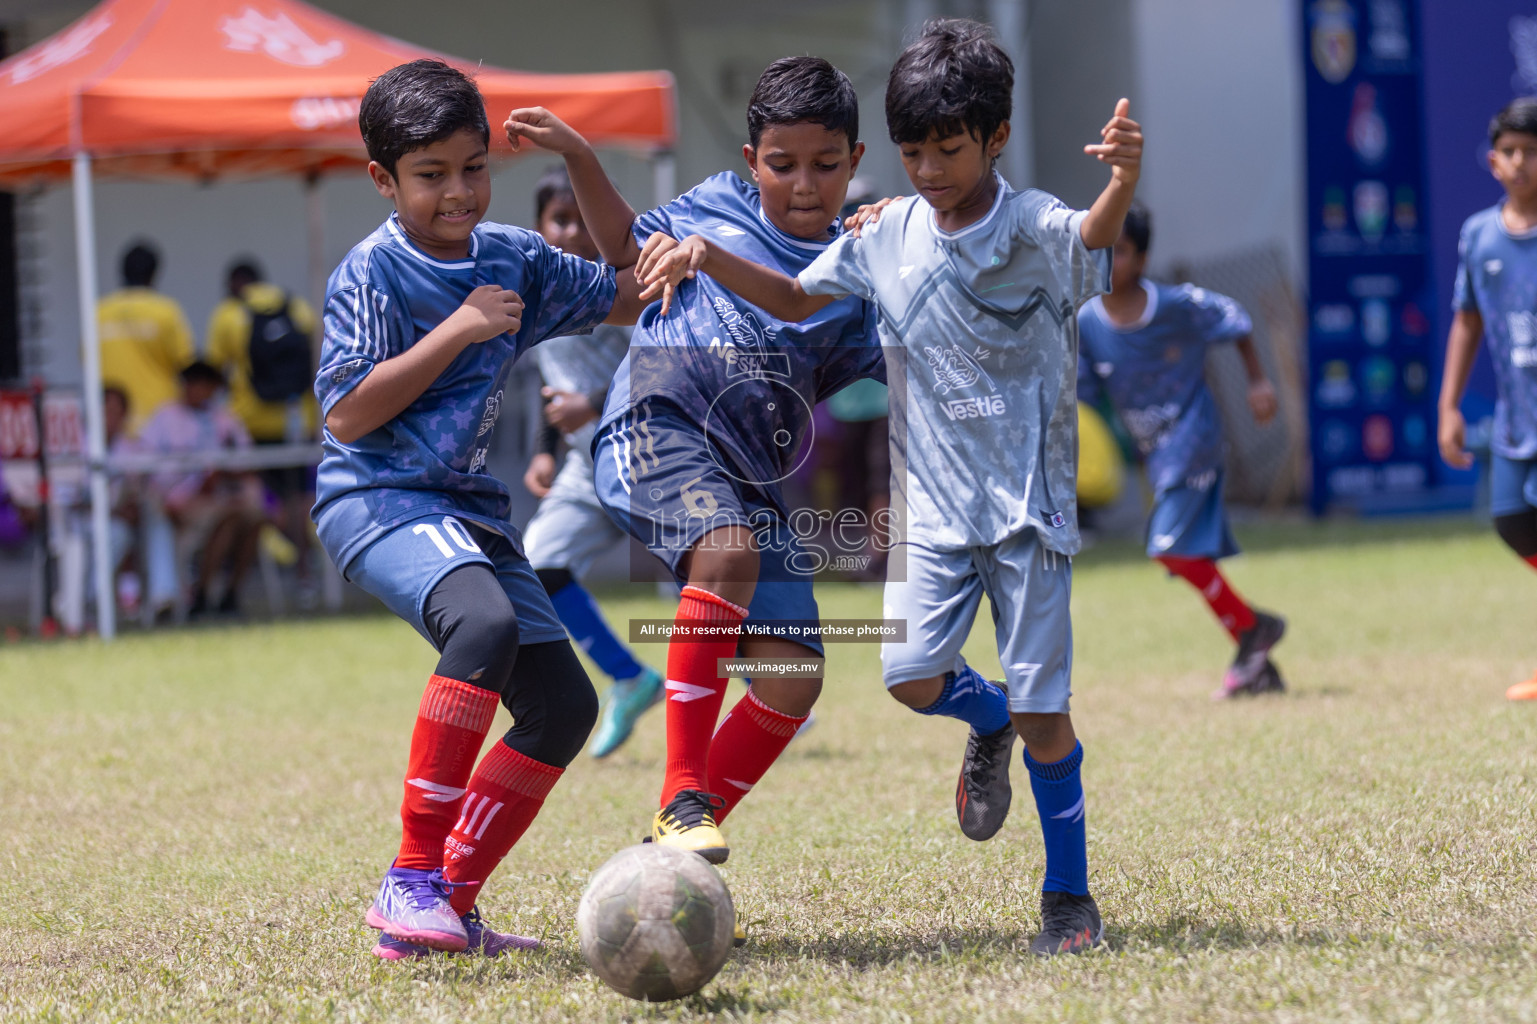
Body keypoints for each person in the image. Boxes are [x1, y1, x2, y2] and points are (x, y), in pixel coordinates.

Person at [637, 19, 1141, 956]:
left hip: (1027, 513)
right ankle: (981, 719)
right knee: (907, 677)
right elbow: (793, 300)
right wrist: (710, 256)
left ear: (994, 136)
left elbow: (1092, 238)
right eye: (912, 152)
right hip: (931, 516)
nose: (930, 169)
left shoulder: (1031, 224)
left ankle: (1067, 899)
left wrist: (1118, 182)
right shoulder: (885, 234)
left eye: (948, 148)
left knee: (1047, 714)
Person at [504, 55, 884, 866]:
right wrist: (581, 156)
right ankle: (682, 797)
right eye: (783, 166)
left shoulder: (865, 271)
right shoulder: (716, 202)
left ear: (854, 162)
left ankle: (663, 860)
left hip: (752, 473)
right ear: (753, 163)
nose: (805, 184)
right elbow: (624, 248)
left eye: (825, 165)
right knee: (726, 550)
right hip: (656, 420)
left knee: (791, 681)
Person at [311, 60, 645, 960]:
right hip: (375, 498)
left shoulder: (513, 256)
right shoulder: (371, 273)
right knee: (485, 625)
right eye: (431, 176)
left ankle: (441, 910)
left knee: (564, 708)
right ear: (383, 179)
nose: (457, 193)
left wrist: (579, 155)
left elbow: (628, 287)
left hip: (467, 511)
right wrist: (458, 327)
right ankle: (410, 877)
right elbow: (345, 412)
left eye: (472, 168)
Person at [1076, 204, 1286, 698]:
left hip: (1193, 437)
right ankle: (1254, 642)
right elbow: (1083, 390)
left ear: (1143, 259)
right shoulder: (1086, 320)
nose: (1108, 261)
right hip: (1155, 450)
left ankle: (1253, 628)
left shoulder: (1172, 305)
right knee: (1177, 555)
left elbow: (1234, 317)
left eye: (1120, 251)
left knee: (1168, 547)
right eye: (1098, 248)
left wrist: (1258, 381)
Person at [519, 166, 665, 758]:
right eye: (560, 219)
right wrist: (543, 450)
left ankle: (771, 687)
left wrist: (596, 403)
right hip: (586, 467)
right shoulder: (534, 291)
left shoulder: (625, 285)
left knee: (703, 580)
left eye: (584, 219)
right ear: (538, 226)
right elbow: (551, 385)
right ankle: (629, 678)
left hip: (655, 458)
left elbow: (666, 368)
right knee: (537, 566)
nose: (575, 232)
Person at [1439, 97, 1537, 701]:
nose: (1522, 162)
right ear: (1493, 161)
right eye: (1511, 152)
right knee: (1512, 522)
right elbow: (1467, 320)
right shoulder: (1479, 235)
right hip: (1515, 419)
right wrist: (1450, 404)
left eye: (1533, 153)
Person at [205, 258, 320, 600]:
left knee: (257, 498)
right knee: (300, 497)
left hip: (248, 423)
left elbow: (215, 370)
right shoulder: (296, 307)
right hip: (297, 419)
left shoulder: (228, 314)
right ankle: (304, 573)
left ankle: (263, 565)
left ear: (233, 284)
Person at [137, 362, 264, 617]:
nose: (198, 391)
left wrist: (223, 473)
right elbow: (143, 465)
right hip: (182, 501)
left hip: (223, 499)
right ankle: (203, 594)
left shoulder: (225, 419)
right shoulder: (164, 417)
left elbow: (249, 462)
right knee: (229, 521)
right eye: (193, 384)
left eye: (205, 385)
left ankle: (229, 593)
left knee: (255, 520)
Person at [97, 241, 195, 431]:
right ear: (154, 274)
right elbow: (187, 366)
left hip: (113, 424)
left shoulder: (99, 313)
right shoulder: (167, 312)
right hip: (159, 425)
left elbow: (87, 361)